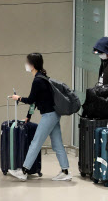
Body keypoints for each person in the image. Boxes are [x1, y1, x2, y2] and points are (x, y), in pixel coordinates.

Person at [8, 53, 71, 182]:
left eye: (27, 62)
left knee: (36, 142)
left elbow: (31, 99)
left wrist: (18, 98)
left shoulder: (38, 80)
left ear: (32, 65)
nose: (26, 65)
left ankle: (24, 171)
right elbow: (36, 101)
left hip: (49, 115)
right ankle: (65, 171)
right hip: (54, 114)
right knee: (57, 143)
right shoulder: (43, 78)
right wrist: (28, 116)